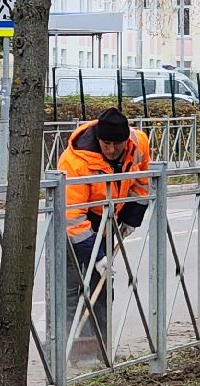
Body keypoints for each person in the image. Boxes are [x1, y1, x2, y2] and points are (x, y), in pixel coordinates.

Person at [57, 107, 153, 364]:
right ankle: (68, 350)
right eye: (106, 144)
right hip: (74, 226)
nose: (111, 150)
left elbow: (141, 183)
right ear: (99, 138)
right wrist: (97, 255)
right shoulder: (75, 161)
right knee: (71, 287)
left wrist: (131, 219)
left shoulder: (139, 144)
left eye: (117, 144)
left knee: (101, 288)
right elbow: (73, 216)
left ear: (126, 140)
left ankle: (101, 348)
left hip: (108, 220)